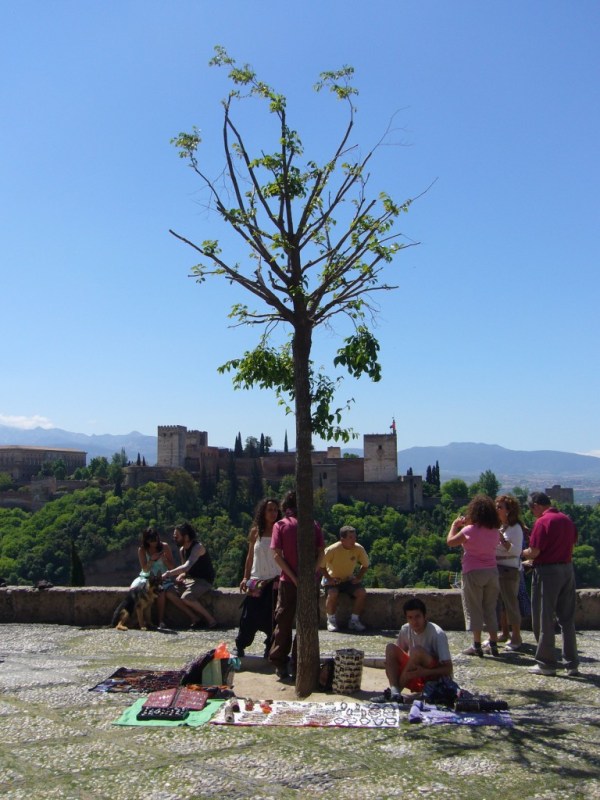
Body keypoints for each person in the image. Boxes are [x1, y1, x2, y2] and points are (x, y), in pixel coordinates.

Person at [269, 490, 325, 680]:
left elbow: (277, 554)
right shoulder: (314, 524)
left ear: (286, 507)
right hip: (310, 581)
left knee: (283, 622)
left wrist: (293, 577)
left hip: (287, 581)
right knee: (307, 621)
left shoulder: (281, 525)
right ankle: (298, 661)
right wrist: (311, 575)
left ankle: (280, 663)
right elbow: (321, 553)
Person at [522, 492, 579, 676]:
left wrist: (523, 553)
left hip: (548, 573)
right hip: (567, 569)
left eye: (531, 509)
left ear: (537, 505)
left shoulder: (543, 522)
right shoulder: (567, 520)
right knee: (567, 619)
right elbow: (572, 544)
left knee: (544, 618)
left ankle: (546, 663)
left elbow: (535, 551)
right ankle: (571, 664)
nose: (532, 513)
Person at [447, 494, 501, 657]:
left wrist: (454, 526)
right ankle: (493, 643)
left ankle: (476, 644)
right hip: (492, 571)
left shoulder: (469, 530)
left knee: (474, 608)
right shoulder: (495, 531)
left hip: (473, 572)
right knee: (490, 609)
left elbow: (450, 542)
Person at [372, 597, 453, 703]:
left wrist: (424, 672)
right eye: (410, 618)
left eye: (417, 617)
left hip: (433, 678)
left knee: (417, 652)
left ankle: (395, 694)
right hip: (413, 675)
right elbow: (397, 659)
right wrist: (391, 666)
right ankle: (395, 691)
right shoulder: (405, 629)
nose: (414, 621)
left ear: (425, 616)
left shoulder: (437, 634)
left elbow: (448, 669)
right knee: (390, 648)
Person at [233, 498, 282, 658]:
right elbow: (250, 556)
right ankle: (240, 645)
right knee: (249, 616)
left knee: (273, 617)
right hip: (257, 579)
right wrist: (245, 577)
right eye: (270, 510)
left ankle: (270, 646)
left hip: (275, 580)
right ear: (263, 512)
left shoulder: (280, 530)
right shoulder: (256, 532)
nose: (273, 513)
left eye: (275, 510)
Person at [162, 522, 218, 629]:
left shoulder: (198, 547)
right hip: (191, 579)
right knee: (170, 592)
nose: (175, 539)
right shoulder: (182, 550)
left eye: (177, 536)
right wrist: (181, 576)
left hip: (204, 580)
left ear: (186, 537)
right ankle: (194, 618)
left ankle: (211, 620)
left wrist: (168, 573)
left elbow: (187, 566)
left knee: (187, 597)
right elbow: (185, 570)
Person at [322, 525, 369, 632]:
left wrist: (358, 577)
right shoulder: (332, 549)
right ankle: (331, 620)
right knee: (333, 593)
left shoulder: (359, 549)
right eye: (350, 537)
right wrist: (329, 578)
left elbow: (365, 565)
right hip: (333, 579)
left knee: (361, 593)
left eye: (354, 537)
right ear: (342, 539)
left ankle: (354, 620)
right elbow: (321, 566)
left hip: (348, 579)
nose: (354, 540)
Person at [494, 495, 524, 651]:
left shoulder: (515, 528)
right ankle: (504, 632)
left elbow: (517, 551)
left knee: (511, 604)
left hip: (509, 570)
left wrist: (502, 541)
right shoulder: (502, 526)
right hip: (498, 568)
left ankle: (516, 637)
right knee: (501, 605)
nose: (497, 509)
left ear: (508, 511)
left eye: (500, 507)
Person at [133, 527, 177, 629]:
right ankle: (139, 619)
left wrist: (164, 560)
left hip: (162, 576)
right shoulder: (142, 550)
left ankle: (160, 621)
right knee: (134, 590)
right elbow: (145, 569)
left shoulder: (165, 546)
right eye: (152, 541)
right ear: (147, 541)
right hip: (147, 577)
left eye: (156, 540)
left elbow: (172, 567)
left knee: (160, 593)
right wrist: (152, 560)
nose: (155, 543)